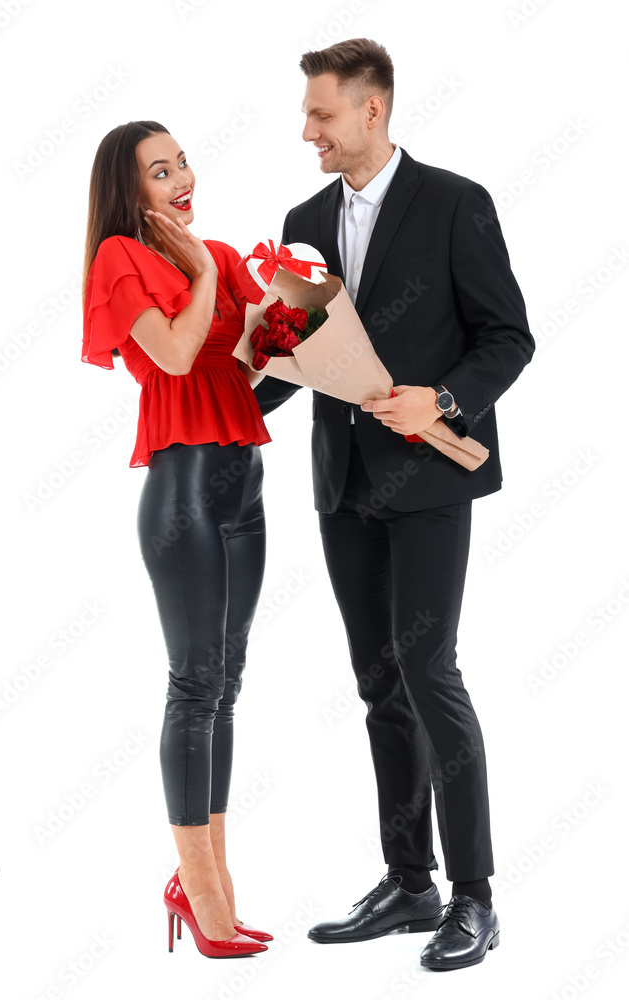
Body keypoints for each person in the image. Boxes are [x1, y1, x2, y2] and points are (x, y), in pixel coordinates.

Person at [254, 40, 535, 971]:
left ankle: (475, 897)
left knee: (429, 674)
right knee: (378, 681)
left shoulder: (456, 203)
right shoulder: (301, 220)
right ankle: (409, 882)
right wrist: (213, 402)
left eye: (321, 115)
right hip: (341, 484)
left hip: (427, 483)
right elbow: (293, 360)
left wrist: (441, 400)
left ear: (370, 111)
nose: (308, 132)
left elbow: (507, 338)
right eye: (307, 115)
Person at [81, 121, 272, 959]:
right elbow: (175, 350)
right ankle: (200, 895)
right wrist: (198, 271)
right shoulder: (121, 260)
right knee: (194, 684)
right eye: (161, 172)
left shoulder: (223, 256)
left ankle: (213, 885)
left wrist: (300, 324)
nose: (183, 178)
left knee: (226, 683)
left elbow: (253, 369)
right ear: (130, 195)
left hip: (244, 486)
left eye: (183, 161)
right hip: (183, 491)